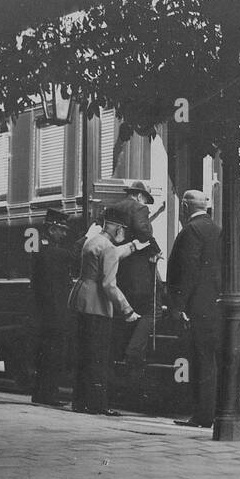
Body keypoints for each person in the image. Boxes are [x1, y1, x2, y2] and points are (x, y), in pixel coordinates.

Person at [68, 206, 139, 416]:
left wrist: (132, 247)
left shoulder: (93, 241)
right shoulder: (107, 247)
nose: (123, 233)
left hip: (81, 298)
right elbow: (109, 285)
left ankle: (80, 402)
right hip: (97, 305)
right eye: (123, 229)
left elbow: (112, 255)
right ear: (117, 227)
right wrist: (127, 310)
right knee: (99, 358)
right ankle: (98, 405)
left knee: (83, 355)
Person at [166, 189, 222, 428]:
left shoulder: (190, 231)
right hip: (215, 305)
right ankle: (211, 411)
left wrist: (178, 305)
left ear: (185, 207)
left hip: (196, 307)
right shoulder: (217, 230)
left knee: (200, 360)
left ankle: (202, 414)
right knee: (210, 360)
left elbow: (187, 272)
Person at [110, 182, 162, 379]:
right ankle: (134, 352)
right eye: (146, 200)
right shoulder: (139, 208)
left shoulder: (113, 208)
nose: (146, 204)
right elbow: (144, 232)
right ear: (140, 196)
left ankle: (122, 356)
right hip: (138, 273)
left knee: (127, 313)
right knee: (154, 309)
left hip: (119, 272)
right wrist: (156, 250)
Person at [30, 208, 75, 406]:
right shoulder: (45, 248)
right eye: (62, 230)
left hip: (49, 314)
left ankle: (43, 394)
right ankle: (47, 395)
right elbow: (57, 257)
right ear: (52, 228)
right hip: (53, 314)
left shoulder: (49, 247)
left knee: (48, 355)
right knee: (52, 355)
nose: (64, 234)